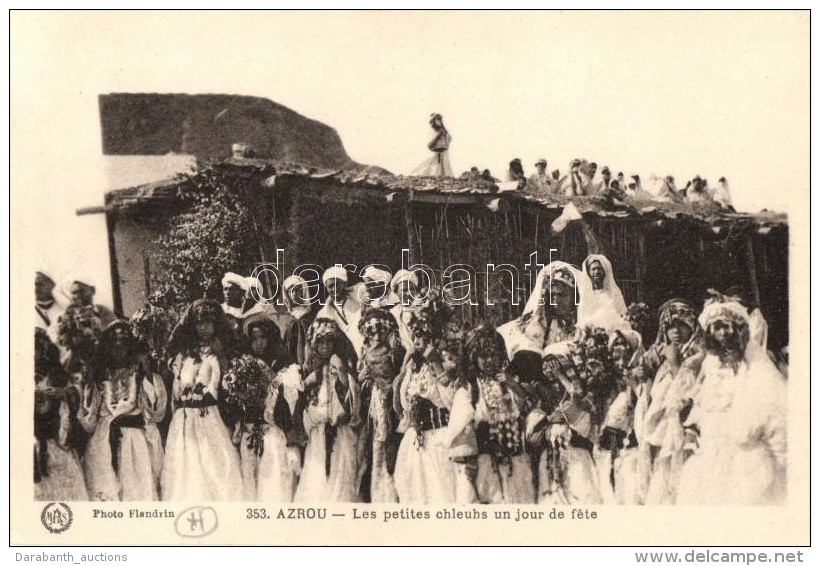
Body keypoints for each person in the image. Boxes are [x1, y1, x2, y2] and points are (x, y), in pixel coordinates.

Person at [677, 297, 786, 505]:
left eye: (728, 328)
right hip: (712, 447)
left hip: (744, 450)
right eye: (717, 328)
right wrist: (692, 430)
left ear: (739, 330)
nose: (723, 333)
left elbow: (769, 406)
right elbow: (703, 402)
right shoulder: (710, 364)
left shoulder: (752, 364)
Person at [161, 299, 243, 501]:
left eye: (208, 322)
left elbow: (230, 386)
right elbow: (177, 388)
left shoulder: (225, 353)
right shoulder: (185, 355)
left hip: (211, 416)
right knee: (186, 469)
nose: (204, 328)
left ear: (216, 324)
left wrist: (222, 356)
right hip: (186, 419)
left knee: (216, 466)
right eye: (199, 323)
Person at [445, 325, 534, 504]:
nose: (489, 361)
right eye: (483, 356)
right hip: (486, 462)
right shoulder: (470, 390)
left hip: (514, 460)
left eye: (493, 355)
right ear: (473, 358)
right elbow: (462, 426)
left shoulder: (508, 383)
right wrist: (470, 459)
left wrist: (513, 385)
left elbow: (526, 407)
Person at [79, 321, 166, 501]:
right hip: (104, 440)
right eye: (114, 343)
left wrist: (148, 372)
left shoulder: (140, 374)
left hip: (134, 440)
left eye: (123, 343)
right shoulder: (101, 376)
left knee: (136, 490)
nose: (119, 348)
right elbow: (90, 418)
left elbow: (155, 412)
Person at [638, 299, 705, 505]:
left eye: (681, 325)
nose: (675, 331)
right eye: (669, 327)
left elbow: (689, 395)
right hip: (662, 431)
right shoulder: (662, 358)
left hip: (686, 431)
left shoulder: (698, 356)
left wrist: (676, 363)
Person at [393, 306, 458, 503]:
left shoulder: (446, 363)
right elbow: (401, 401)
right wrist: (406, 364)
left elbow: (452, 400)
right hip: (415, 441)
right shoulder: (413, 366)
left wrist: (436, 363)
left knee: (440, 493)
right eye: (415, 337)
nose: (418, 342)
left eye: (422, 337)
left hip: (439, 435)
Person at [235, 315, 301, 502]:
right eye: (254, 339)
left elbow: (288, 399)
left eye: (262, 337)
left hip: (273, 428)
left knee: (273, 478)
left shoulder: (282, 363)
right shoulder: (242, 365)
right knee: (250, 477)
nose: (259, 343)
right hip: (250, 428)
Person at [294, 318, 361, 502]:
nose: (325, 347)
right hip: (316, 433)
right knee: (316, 477)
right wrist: (308, 383)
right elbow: (302, 401)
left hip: (339, 432)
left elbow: (351, 398)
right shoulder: (310, 370)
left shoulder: (342, 365)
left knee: (339, 478)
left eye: (329, 342)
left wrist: (340, 369)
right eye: (320, 342)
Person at [527, 343, 603, 505]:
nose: (549, 373)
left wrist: (561, 376)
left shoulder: (578, 394)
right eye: (545, 369)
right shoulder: (543, 396)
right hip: (551, 458)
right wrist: (550, 419)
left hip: (575, 453)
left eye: (553, 368)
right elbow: (533, 434)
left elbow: (578, 399)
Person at [497, 261, 595, 359]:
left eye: (562, 295)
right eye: (552, 295)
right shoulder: (545, 322)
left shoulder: (587, 324)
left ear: (575, 297)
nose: (555, 300)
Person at [356, 309, 405, 502]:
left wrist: (386, 386)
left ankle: (389, 495)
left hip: (390, 407)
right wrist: (364, 379)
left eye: (380, 331)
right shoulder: (364, 350)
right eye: (372, 332)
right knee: (370, 450)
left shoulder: (395, 350)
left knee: (389, 449)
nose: (376, 335)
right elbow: (359, 377)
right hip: (370, 406)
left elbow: (400, 378)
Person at [34, 329, 88, 501]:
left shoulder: (56, 373)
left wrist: (63, 393)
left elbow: (76, 392)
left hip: (56, 439)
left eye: (38, 347)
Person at [595, 329, 646, 505]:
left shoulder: (640, 380)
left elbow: (646, 407)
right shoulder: (605, 386)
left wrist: (634, 385)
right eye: (616, 358)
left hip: (631, 452)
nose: (621, 363)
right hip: (607, 453)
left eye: (626, 357)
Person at [316, 266, 364, 357]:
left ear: (344, 284)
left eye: (337, 284)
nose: (334, 289)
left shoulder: (359, 301)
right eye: (330, 286)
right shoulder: (323, 314)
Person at [581, 254, 629, 331]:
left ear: (604, 271)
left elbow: (622, 314)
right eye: (593, 269)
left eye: (599, 269)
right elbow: (583, 318)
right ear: (589, 272)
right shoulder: (585, 295)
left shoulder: (614, 293)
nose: (596, 272)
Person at [282, 275, 318, 366]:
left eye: (297, 290)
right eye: (290, 291)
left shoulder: (312, 316)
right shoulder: (284, 317)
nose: (294, 294)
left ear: (304, 291)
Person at [389, 269, 422, 353]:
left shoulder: (423, 310)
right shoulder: (393, 313)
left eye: (412, 289)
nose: (409, 294)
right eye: (404, 290)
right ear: (396, 292)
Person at [35, 271, 65, 347]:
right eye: (35, 284)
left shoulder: (63, 309)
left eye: (40, 284)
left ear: (53, 285)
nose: (36, 288)